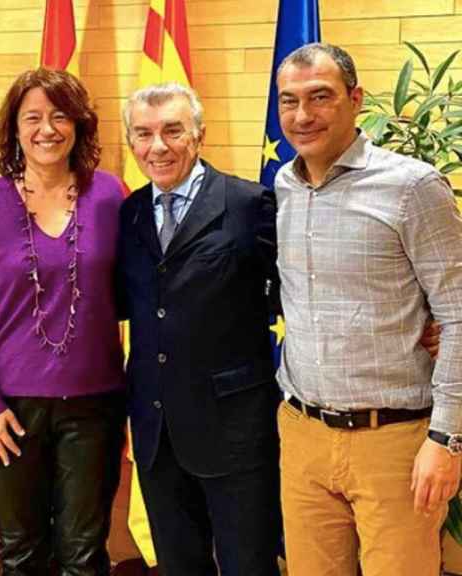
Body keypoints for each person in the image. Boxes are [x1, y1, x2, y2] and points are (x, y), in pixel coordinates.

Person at [274, 42, 462, 575]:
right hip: (303, 433)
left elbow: (459, 313)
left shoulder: (412, 187)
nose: (303, 115)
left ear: (355, 99)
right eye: (289, 101)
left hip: (395, 442)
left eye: (320, 97)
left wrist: (447, 440)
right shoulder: (283, 185)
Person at [0, 68, 126, 575]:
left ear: (79, 126)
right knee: (20, 550)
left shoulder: (111, 195)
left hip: (95, 406)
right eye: (33, 118)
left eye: (59, 115)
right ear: (14, 130)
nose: (47, 129)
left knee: (84, 553)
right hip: (9, 411)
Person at [117, 82, 282, 575]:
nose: (158, 146)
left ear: (199, 134)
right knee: (178, 563)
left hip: (232, 427)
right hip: (156, 427)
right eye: (144, 134)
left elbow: (295, 291)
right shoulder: (128, 213)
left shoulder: (248, 203)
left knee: (247, 564)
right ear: (131, 143)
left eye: (172, 130)